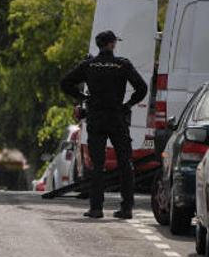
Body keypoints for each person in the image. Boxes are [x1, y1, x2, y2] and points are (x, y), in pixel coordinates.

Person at [60, 30, 148, 219]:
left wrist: (83, 97)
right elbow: (142, 88)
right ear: (111, 44)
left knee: (97, 165)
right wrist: (128, 105)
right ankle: (126, 208)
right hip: (117, 117)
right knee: (125, 163)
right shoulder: (122, 64)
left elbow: (65, 83)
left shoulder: (89, 65)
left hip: (96, 117)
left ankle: (96, 208)